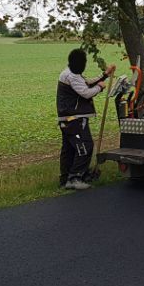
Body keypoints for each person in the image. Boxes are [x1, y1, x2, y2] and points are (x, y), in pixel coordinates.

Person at [57, 49, 115, 190]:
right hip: (74, 119)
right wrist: (100, 88)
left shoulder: (70, 74)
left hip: (67, 119)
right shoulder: (72, 76)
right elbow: (86, 93)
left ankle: (65, 178)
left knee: (69, 149)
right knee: (85, 147)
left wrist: (104, 75)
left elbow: (86, 83)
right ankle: (75, 178)